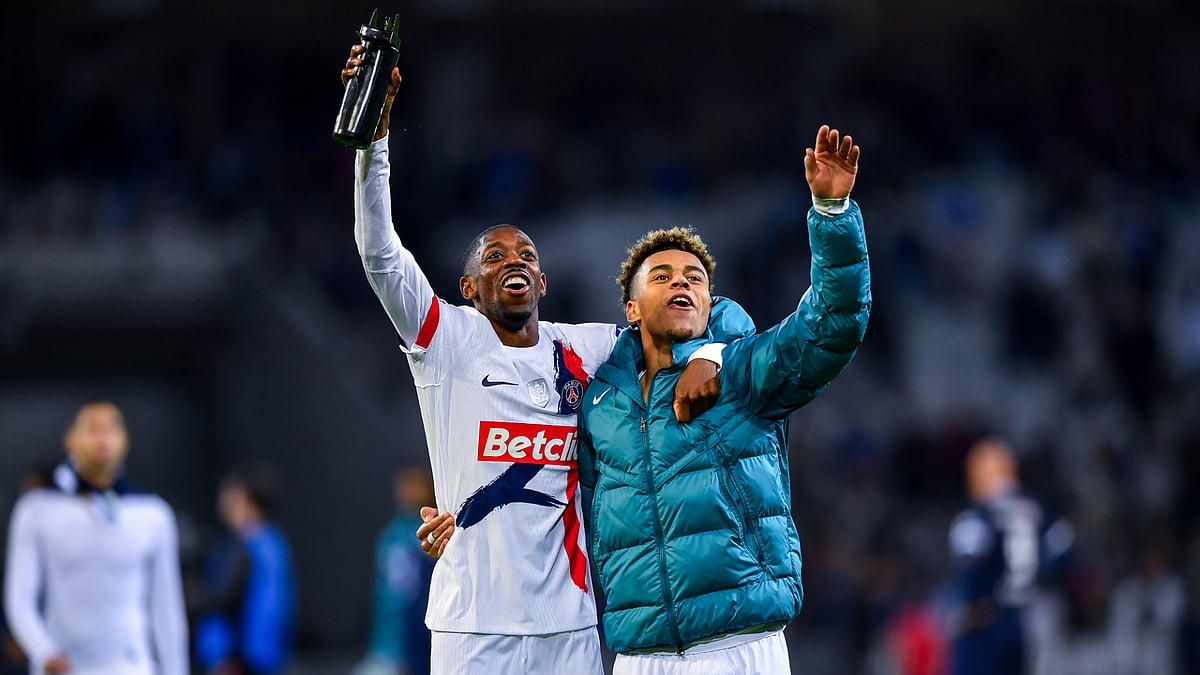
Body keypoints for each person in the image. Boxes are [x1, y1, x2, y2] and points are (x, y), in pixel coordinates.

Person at [340, 44, 724, 674]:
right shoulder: (447, 341)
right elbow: (378, 251)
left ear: (543, 282)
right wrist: (373, 144)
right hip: (471, 627)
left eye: (526, 255)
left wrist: (707, 348)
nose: (513, 260)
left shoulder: (587, 348)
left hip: (568, 626)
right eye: (493, 256)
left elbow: (690, 311)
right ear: (468, 288)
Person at [575, 123, 871, 673]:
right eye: (661, 276)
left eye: (694, 277)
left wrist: (832, 215)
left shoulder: (740, 371)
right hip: (639, 655)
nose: (681, 283)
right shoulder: (599, 404)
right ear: (631, 309)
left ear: (711, 304)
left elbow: (831, 324)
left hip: (738, 642)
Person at [3, 400, 189, 675]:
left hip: (130, 666)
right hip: (64, 667)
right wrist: (44, 652)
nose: (102, 438)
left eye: (111, 429)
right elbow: (19, 597)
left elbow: (167, 610)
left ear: (125, 440)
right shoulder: (37, 510)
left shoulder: (152, 514)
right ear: (71, 440)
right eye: (92, 429)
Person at [944, 436, 1074, 675]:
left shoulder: (977, 515)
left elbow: (969, 558)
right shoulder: (1036, 508)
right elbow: (1062, 546)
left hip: (986, 619)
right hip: (1030, 618)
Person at [190, 462, 296, 675]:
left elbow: (265, 610)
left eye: (231, 495)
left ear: (249, 502)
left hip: (243, 662)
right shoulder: (241, 544)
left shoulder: (258, 548)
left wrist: (237, 659)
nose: (223, 501)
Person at [352, 468, 437, 675]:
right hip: (387, 641)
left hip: (420, 638)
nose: (407, 492)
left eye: (415, 486)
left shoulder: (432, 536)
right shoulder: (392, 533)